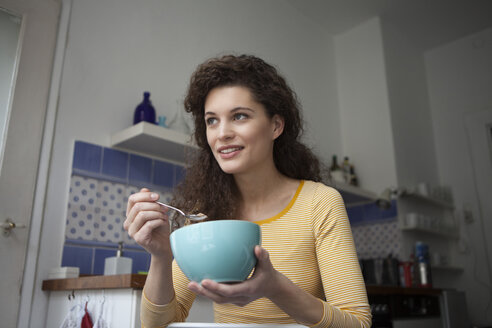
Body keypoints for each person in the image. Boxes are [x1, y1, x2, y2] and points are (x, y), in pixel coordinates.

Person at [124, 54, 372, 328]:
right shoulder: (203, 215)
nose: (222, 134)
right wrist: (160, 256)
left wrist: (276, 288)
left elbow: (358, 323)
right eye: (212, 121)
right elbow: (158, 325)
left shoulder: (320, 203)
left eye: (239, 116)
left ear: (276, 125)